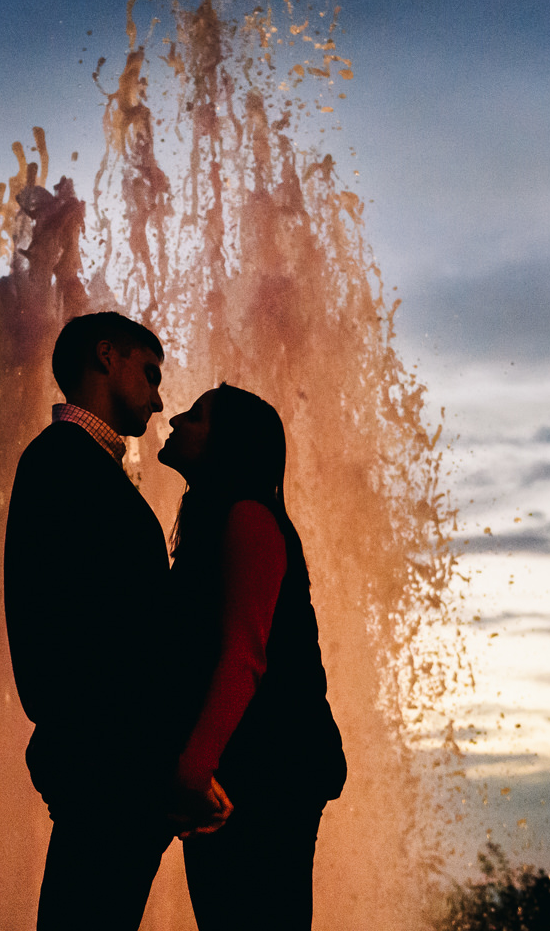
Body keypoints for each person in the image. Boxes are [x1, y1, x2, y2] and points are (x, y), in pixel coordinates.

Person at [3, 311, 229, 931]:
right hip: (107, 768)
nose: (160, 401)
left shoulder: (76, 465)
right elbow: (89, 634)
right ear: (107, 356)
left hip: (106, 763)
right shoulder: (63, 464)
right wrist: (155, 760)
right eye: (151, 375)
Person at [159, 384, 348, 931]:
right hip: (250, 770)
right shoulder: (223, 517)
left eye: (194, 417)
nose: (174, 420)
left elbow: (245, 653)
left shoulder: (247, 516)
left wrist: (194, 767)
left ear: (228, 441)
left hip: (264, 774)